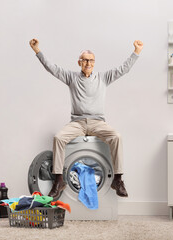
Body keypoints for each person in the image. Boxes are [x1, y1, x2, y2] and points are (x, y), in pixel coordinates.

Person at [29, 38, 143, 199]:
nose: (88, 63)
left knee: (116, 137)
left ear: (94, 63)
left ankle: (118, 180)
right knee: (58, 138)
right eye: (85, 60)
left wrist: (136, 51)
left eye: (91, 60)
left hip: (97, 123)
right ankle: (59, 180)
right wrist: (37, 51)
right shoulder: (71, 77)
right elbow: (51, 68)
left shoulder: (103, 78)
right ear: (79, 62)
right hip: (77, 123)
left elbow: (123, 69)